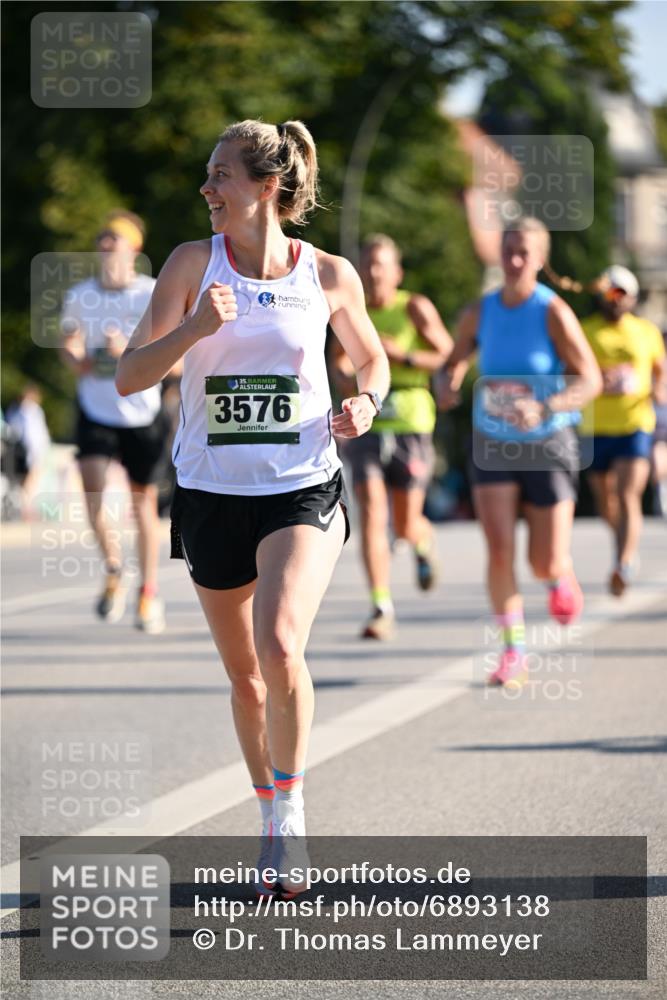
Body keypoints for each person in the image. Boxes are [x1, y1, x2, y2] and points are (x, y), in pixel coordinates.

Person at [115, 119, 390, 894]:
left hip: (299, 484)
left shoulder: (328, 274)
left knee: (278, 643)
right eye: (207, 175)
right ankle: (268, 808)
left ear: (265, 187)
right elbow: (131, 377)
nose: (206, 188)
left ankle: (289, 820)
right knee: (247, 681)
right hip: (209, 492)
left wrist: (366, 399)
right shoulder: (188, 264)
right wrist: (195, 328)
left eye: (220, 175)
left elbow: (370, 356)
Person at [437, 217, 602, 688]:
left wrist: (546, 404)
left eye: (523, 252)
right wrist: (446, 382)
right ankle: (514, 651)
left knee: (543, 559)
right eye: (507, 250)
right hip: (492, 442)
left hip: (548, 442)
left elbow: (588, 378)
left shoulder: (553, 311)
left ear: (539, 259)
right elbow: (454, 359)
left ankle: (559, 577)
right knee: (499, 548)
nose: (513, 260)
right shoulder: (480, 311)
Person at [329, 235, 452, 640]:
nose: (374, 272)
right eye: (367, 264)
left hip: (410, 422)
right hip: (367, 424)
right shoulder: (352, 309)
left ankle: (421, 540)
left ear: (397, 272)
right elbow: (337, 361)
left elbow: (447, 355)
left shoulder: (413, 307)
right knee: (373, 513)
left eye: (382, 264)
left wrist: (404, 357)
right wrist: (347, 375)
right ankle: (381, 605)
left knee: (403, 522)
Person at [59, 211, 168, 633]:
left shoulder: (151, 293)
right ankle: (113, 567)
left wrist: (129, 348)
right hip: (96, 408)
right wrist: (77, 360)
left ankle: (148, 592)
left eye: (115, 239)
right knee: (92, 492)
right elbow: (68, 339)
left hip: (141, 411)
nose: (106, 245)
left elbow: (170, 350)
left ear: (134, 248)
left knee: (143, 505)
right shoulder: (80, 293)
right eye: (102, 238)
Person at [580, 266, 666, 595]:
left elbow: (661, 370)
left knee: (629, 494)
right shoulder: (586, 331)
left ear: (631, 298)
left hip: (635, 424)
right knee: (606, 502)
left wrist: (659, 390)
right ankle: (624, 543)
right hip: (596, 427)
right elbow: (572, 368)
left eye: (620, 294)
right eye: (608, 293)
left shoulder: (646, 332)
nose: (613, 300)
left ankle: (624, 561)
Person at [5, 383, 51, 518]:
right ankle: (26, 510)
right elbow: (34, 436)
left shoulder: (16, 410)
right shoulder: (31, 410)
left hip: (23, 451)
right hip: (31, 451)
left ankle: (25, 509)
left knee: (25, 482)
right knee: (30, 482)